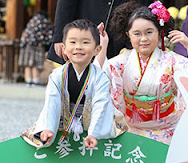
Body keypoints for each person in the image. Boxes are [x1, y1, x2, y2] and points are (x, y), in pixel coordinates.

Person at [96, 1, 188, 145]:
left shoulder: (170, 59)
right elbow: (102, 75)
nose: (144, 39)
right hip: (131, 127)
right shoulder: (124, 60)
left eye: (149, 32)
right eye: (137, 34)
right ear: (128, 35)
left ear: (159, 32)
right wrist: (103, 46)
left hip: (166, 128)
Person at [21, 19, 127, 149]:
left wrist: (94, 134)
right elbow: (52, 102)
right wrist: (49, 128)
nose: (78, 47)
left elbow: (101, 104)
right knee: (39, 133)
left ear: (97, 49)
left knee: (113, 126)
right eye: (73, 42)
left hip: (91, 120)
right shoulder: (57, 75)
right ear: (64, 49)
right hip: (63, 118)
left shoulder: (100, 78)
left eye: (85, 42)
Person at [18, 10, 53, 86]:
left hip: (27, 45)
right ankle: (35, 80)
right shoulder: (44, 21)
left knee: (28, 64)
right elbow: (49, 35)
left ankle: (28, 80)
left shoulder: (32, 21)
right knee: (36, 63)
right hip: (38, 45)